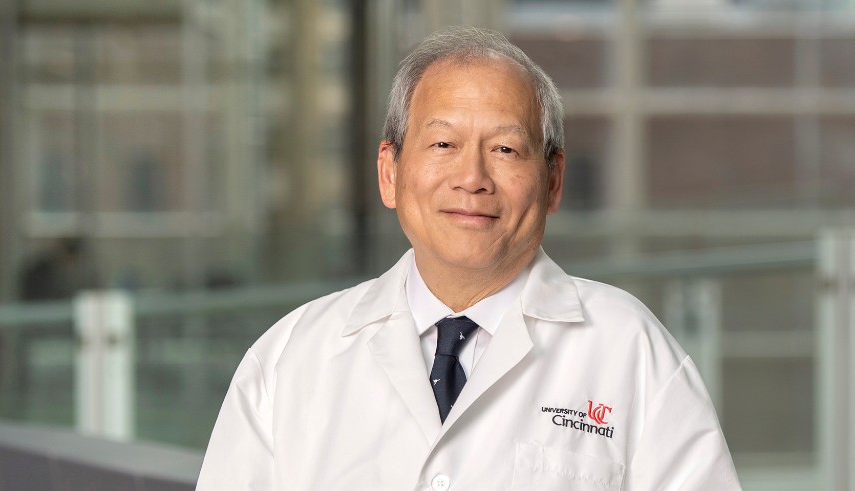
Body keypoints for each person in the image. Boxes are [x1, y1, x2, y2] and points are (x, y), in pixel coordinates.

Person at [197, 26, 741, 490]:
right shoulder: (289, 360)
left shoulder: (631, 351)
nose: (473, 179)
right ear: (389, 173)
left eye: (505, 149)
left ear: (553, 181)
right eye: (443, 145)